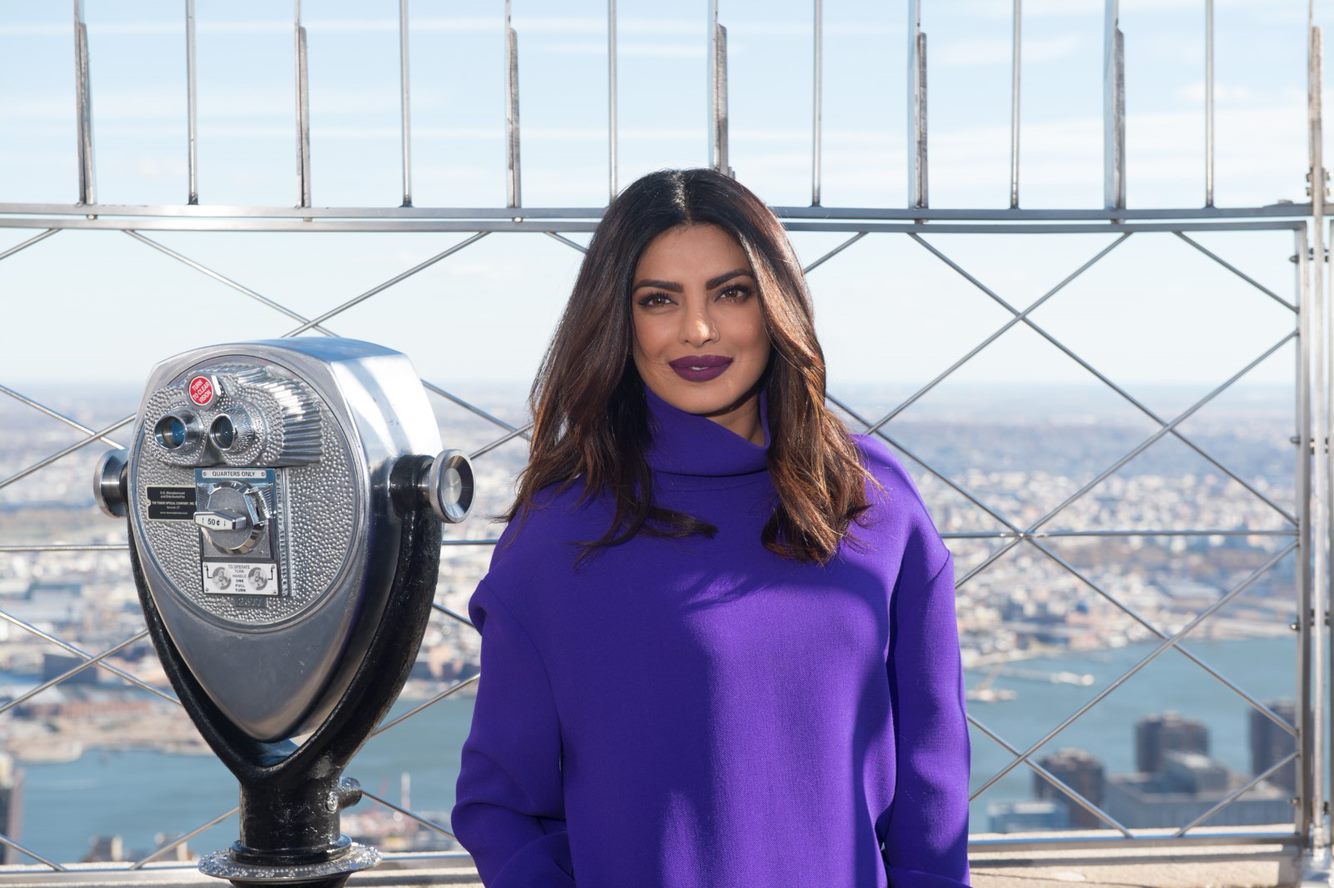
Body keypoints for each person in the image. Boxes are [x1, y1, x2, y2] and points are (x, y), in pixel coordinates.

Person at [450, 168, 970, 887]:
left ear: (777, 303)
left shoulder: (873, 500)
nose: (698, 329)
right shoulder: (562, 533)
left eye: (732, 292)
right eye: (659, 300)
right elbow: (501, 805)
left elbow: (931, 776)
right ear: (618, 320)